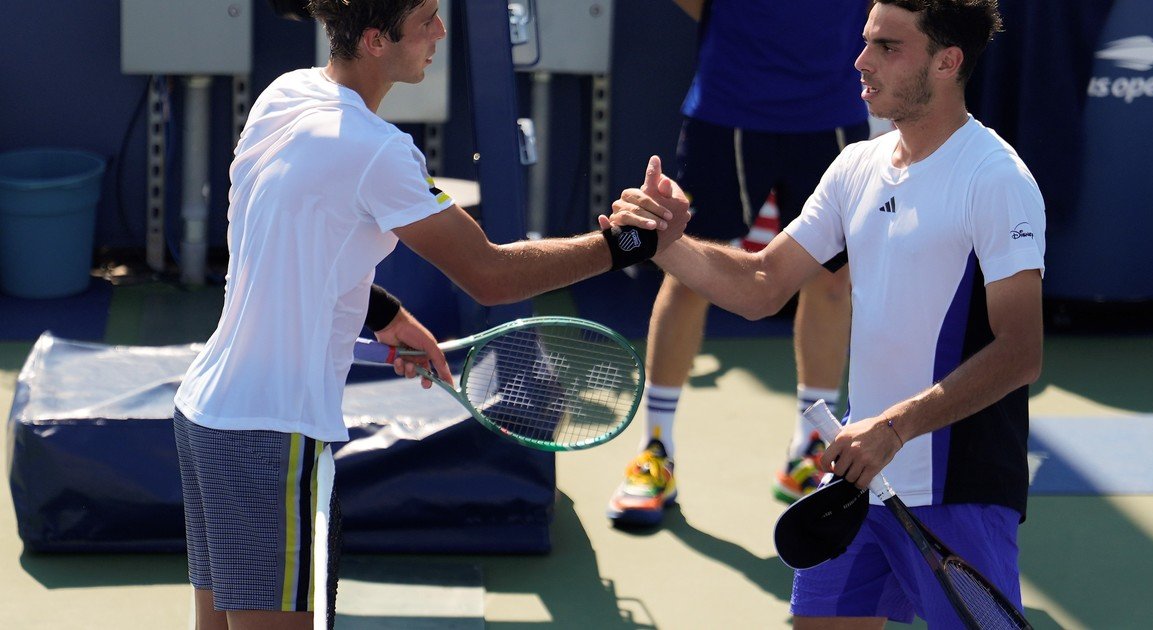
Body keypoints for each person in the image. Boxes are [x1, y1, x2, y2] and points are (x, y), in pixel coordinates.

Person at [170, 1, 686, 628]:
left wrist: (381, 311)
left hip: (204, 414)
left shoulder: (286, 95)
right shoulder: (380, 152)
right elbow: (491, 275)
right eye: (425, 20)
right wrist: (629, 243)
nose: (440, 32)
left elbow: (288, 242)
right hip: (272, 436)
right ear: (375, 40)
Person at [607, 0, 1045, 625]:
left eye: (888, 48)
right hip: (861, 483)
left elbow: (1020, 351)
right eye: (865, 42)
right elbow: (762, 282)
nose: (860, 62)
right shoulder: (856, 167)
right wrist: (666, 243)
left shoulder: (996, 180)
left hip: (958, 489)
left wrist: (893, 428)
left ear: (948, 62)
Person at [606, 0, 872, 528]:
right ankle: (655, 449)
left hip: (833, 114)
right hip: (727, 109)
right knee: (688, 270)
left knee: (833, 279)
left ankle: (811, 450)